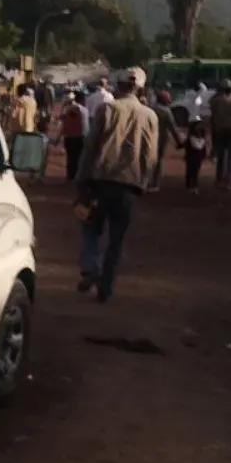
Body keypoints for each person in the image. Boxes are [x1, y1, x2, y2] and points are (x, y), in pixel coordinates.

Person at [75, 66, 159, 302]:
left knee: (90, 226)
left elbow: (90, 147)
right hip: (128, 185)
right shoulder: (150, 116)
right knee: (116, 239)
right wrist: (143, 182)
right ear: (141, 88)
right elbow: (150, 155)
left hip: (100, 180)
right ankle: (106, 289)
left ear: (119, 86)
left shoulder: (108, 109)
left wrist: (81, 179)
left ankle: (91, 267)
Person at [148, 89, 185, 191]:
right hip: (161, 139)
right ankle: (154, 184)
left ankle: (144, 181)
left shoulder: (150, 109)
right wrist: (179, 142)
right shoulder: (166, 112)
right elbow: (173, 128)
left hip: (149, 138)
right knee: (158, 161)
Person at [58, 89, 88, 181]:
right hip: (80, 136)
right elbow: (85, 125)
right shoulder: (84, 110)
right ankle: (77, 176)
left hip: (69, 136)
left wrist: (59, 136)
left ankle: (70, 175)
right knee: (79, 157)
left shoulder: (68, 109)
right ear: (82, 100)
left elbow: (64, 124)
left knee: (70, 156)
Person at [183, 114, 209, 193]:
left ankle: (192, 185)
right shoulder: (194, 138)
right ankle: (191, 185)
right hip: (193, 157)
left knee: (193, 171)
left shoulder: (194, 138)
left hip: (195, 157)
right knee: (192, 171)